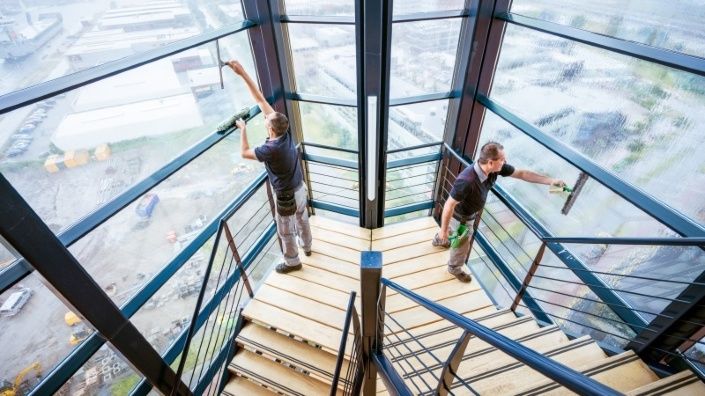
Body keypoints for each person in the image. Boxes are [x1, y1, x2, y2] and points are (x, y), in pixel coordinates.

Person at [433, 141, 565, 282]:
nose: (505, 162)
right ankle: (454, 268)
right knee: (461, 246)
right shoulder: (466, 180)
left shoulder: (495, 169)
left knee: (450, 234)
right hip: (461, 219)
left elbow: (522, 174)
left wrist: (551, 181)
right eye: (502, 160)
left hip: (467, 215)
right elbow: (449, 206)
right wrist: (444, 230)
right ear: (490, 162)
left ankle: (440, 239)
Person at [227, 60, 312, 274]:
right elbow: (260, 99)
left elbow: (244, 153)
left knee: (286, 231)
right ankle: (308, 246)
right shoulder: (286, 135)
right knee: (302, 219)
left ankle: (293, 262)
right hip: (300, 188)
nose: (265, 119)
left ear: (272, 130)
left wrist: (243, 129)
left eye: (267, 121)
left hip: (286, 196)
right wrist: (242, 72)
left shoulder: (270, 150)